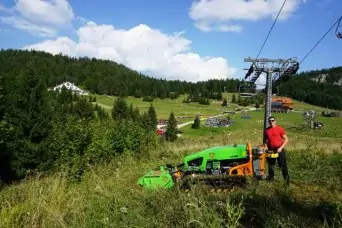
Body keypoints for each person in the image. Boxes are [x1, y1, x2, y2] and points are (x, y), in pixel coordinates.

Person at [263, 116, 289, 185]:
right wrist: (265, 146)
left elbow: (286, 139)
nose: (271, 122)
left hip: (279, 150)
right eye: (270, 121)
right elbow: (264, 141)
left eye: (273, 120)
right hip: (271, 151)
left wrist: (280, 148)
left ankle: (286, 182)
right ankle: (271, 180)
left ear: (275, 121)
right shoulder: (267, 130)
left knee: (283, 166)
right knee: (271, 166)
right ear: (268, 122)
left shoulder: (280, 129)